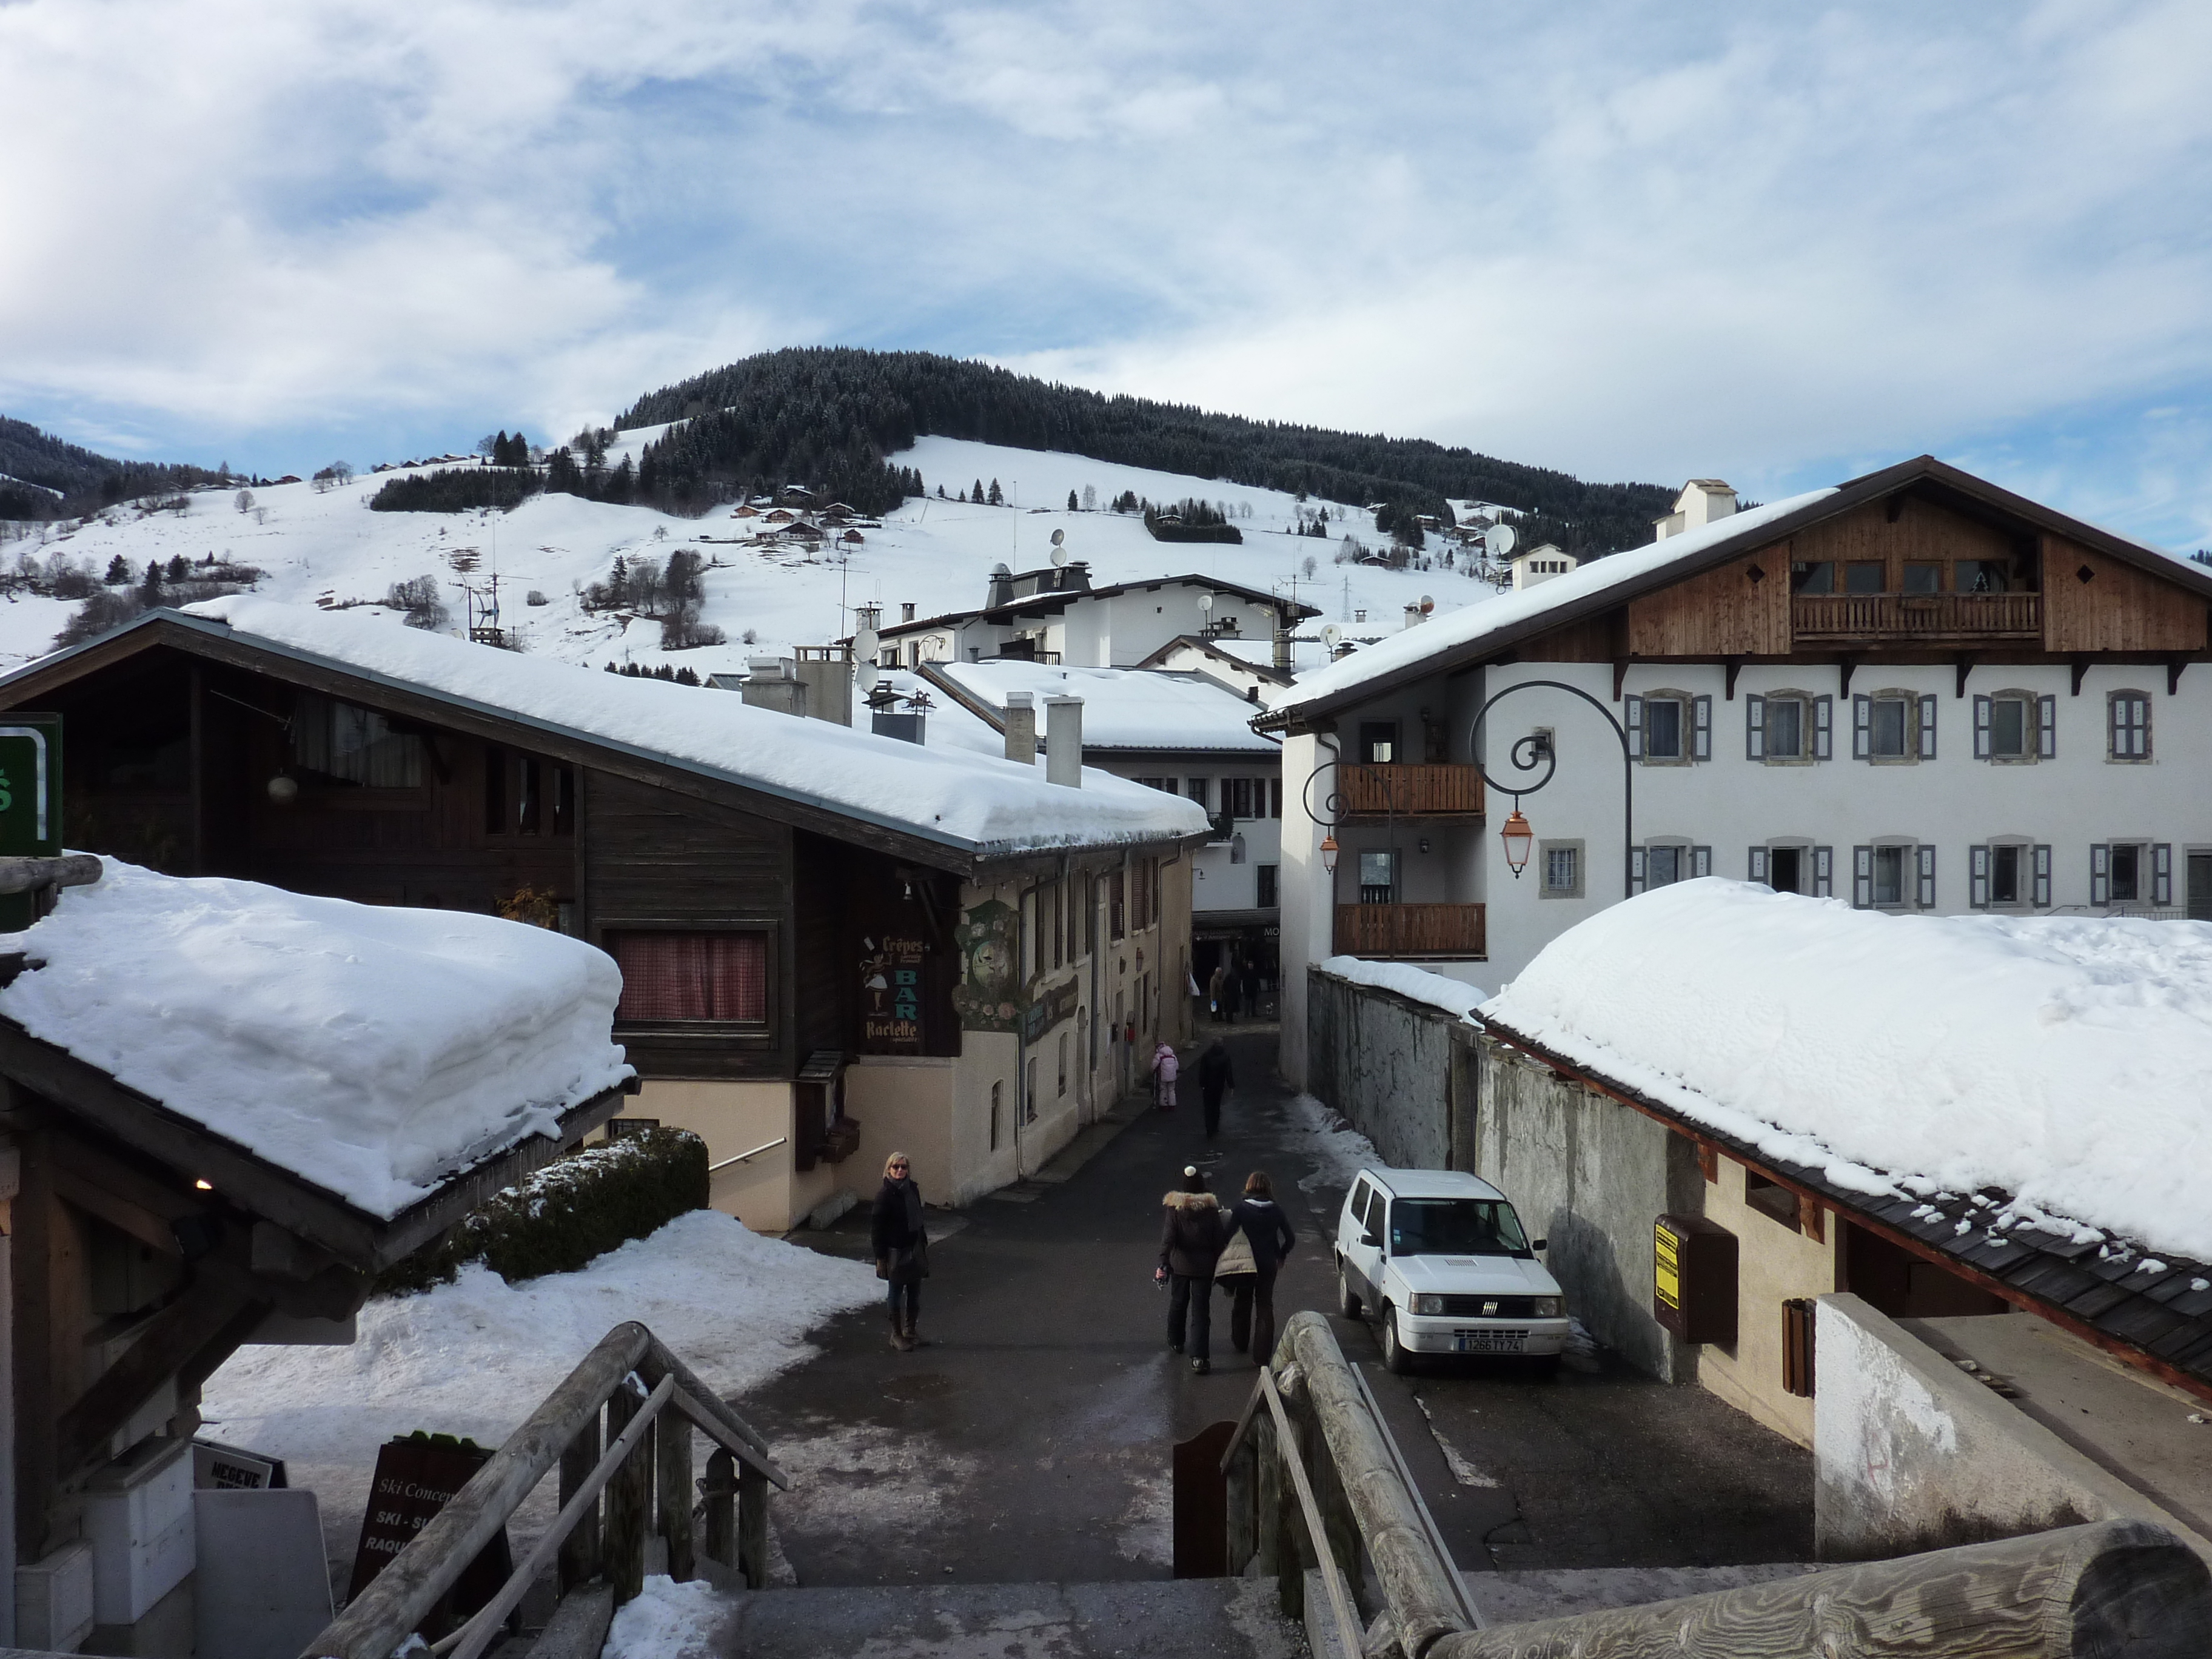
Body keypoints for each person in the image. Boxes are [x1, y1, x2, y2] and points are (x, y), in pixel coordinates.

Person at [1158, 1165, 1228, 1373]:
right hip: (1204, 1270)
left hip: (1180, 1266)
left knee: (1178, 1304)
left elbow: (1168, 1238)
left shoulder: (1175, 1210)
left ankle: (1176, 1341)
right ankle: (1199, 1358)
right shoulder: (1211, 1210)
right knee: (1201, 1312)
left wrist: (1163, 1260)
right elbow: (1218, 1241)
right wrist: (1220, 1264)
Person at [1227, 1171, 1297, 1364]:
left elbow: (1228, 1234)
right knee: (1265, 1306)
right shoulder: (1276, 1210)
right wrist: (1281, 1254)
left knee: (1242, 1301)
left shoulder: (1241, 1209)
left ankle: (1241, 1343)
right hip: (1268, 1264)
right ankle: (1261, 1355)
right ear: (1268, 1188)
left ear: (1249, 1186)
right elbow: (1290, 1238)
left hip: (1245, 1263)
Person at [872, 1151, 929, 1352]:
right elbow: (877, 1230)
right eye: (895, 1167)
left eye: (903, 1167)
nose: (899, 1170)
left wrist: (923, 1241)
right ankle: (896, 1335)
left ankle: (911, 1331)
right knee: (895, 1292)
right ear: (888, 1170)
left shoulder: (912, 1189)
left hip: (915, 1248)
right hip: (895, 1251)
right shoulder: (885, 1195)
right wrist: (881, 1258)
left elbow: (919, 1218)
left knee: (915, 1292)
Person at [1198, 1037, 1235, 1139]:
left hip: (1208, 1086)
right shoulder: (1225, 1056)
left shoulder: (1207, 1056)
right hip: (1219, 1086)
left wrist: (1202, 1084)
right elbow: (1228, 1072)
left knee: (1208, 1107)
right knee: (1216, 1106)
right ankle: (1215, 1127)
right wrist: (1231, 1085)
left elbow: (1203, 1072)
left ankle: (1209, 1128)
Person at [1151, 1039, 1179, 1111]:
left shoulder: (1159, 1056)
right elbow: (1177, 1066)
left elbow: (1154, 1065)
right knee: (1171, 1090)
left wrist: (1153, 1071)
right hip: (1172, 1076)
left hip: (1163, 1076)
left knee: (1163, 1089)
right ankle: (1172, 1104)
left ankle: (1164, 1105)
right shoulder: (1173, 1056)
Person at [1207, 960, 1228, 1024]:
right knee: (1214, 1008)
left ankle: (1220, 1017)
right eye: (1220, 972)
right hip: (1216, 996)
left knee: (1220, 1008)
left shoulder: (1221, 979)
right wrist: (1213, 998)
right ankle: (1214, 1018)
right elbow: (1212, 989)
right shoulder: (1214, 979)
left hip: (1220, 996)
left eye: (1221, 972)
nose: (1221, 973)